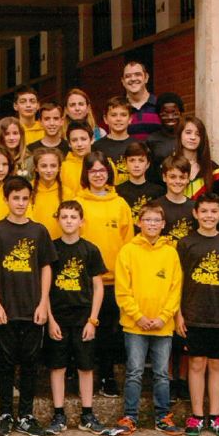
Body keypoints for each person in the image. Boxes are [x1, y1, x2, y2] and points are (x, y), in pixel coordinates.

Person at [0, 177, 56, 436]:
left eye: (25, 198)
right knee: (6, 363)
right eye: (16, 198)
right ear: (6, 199)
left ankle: (26, 415)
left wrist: (43, 303)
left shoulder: (39, 231)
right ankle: (5, 414)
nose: (21, 203)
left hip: (32, 308)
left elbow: (46, 268)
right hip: (5, 309)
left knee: (30, 363)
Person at [113, 201, 184, 436]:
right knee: (134, 372)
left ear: (163, 224)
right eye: (147, 220)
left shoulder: (170, 253)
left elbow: (175, 289)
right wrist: (138, 316)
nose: (152, 224)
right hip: (135, 325)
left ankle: (162, 416)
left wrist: (164, 316)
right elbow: (122, 290)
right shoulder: (128, 251)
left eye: (156, 220)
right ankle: (130, 416)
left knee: (162, 373)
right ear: (139, 222)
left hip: (163, 325)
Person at [175, 193, 219, 436]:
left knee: (217, 363)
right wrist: (178, 313)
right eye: (204, 211)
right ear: (195, 213)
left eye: (214, 211)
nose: (209, 216)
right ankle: (196, 416)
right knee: (196, 363)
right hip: (193, 313)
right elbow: (177, 280)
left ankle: (215, 416)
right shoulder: (185, 243)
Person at [43, 201, 110, 436]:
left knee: (85, 366)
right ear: (58, 220)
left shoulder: (90, 250)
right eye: (64, 217)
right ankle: (58, 414)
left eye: (73, 217)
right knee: (57, 366)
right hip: (58, 317)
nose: (69, 221)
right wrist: (50, 319)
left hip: (84, 318)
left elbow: (98, 287)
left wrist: (93, 320)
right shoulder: (51, 250)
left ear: (82, 221)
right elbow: (44, 287)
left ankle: (87, 414)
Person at [76, 152, 136, 399]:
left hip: (113, 279)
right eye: (93, 171)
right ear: (86, 174)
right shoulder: (77, 202)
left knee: (109, 333)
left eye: (102, 170)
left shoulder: (120, 204)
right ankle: (82, 376)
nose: (98, 175)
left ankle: (107, 376)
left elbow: (128, 243)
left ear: (109, 173)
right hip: (85, 281)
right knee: (84, 331)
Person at [91, 97, 137, 185]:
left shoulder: (138, 145)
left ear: (130, 119)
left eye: (123, 115)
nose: (118, 119)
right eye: (113, 115)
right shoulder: (97, 147)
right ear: (105, 119)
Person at [115, 142, 166, 222]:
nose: (136, 165)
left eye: (141, 160)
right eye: (132, 160)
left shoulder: (158, 191)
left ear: (148, 164)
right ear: (126, 163)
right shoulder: (117, 191)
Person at [177, 117, 219, 199]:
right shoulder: (169, 166)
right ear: (180, 135)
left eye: (198, 134)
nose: (193, 137)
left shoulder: (215, 171)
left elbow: (218, 203)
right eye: (188, 132)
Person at [154, 156, 197, 242]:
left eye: (182, 177)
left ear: (188, 179)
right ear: (164, 177)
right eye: (172, 177)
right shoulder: (154, 207)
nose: (177, 181)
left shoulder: (196, 207)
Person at [145, 93, 185, 183]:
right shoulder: (152, 140)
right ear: (159, 115)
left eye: (174, 113)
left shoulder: (187, 137)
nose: (170, 117)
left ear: (181, 113)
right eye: (165, 114)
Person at [30, 147, 65, 240]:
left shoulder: (68, 193)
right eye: (44, 166)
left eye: (53, 166)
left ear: (59, 168)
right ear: (36, 168)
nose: (49, 170)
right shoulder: (27, 191)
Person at [121, 61, 160, 141]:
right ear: (123, 81)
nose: (133, 79)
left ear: (146, 78)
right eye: (128, 76)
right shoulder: (118, 109)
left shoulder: (160, 105)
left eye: (137, 74)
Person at [60, 124, 94, 200]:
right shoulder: (62, 168)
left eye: (83, 139)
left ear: (92, 140)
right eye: (74, 140)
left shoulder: (103, 164)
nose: (79, 144)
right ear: (69, 143)